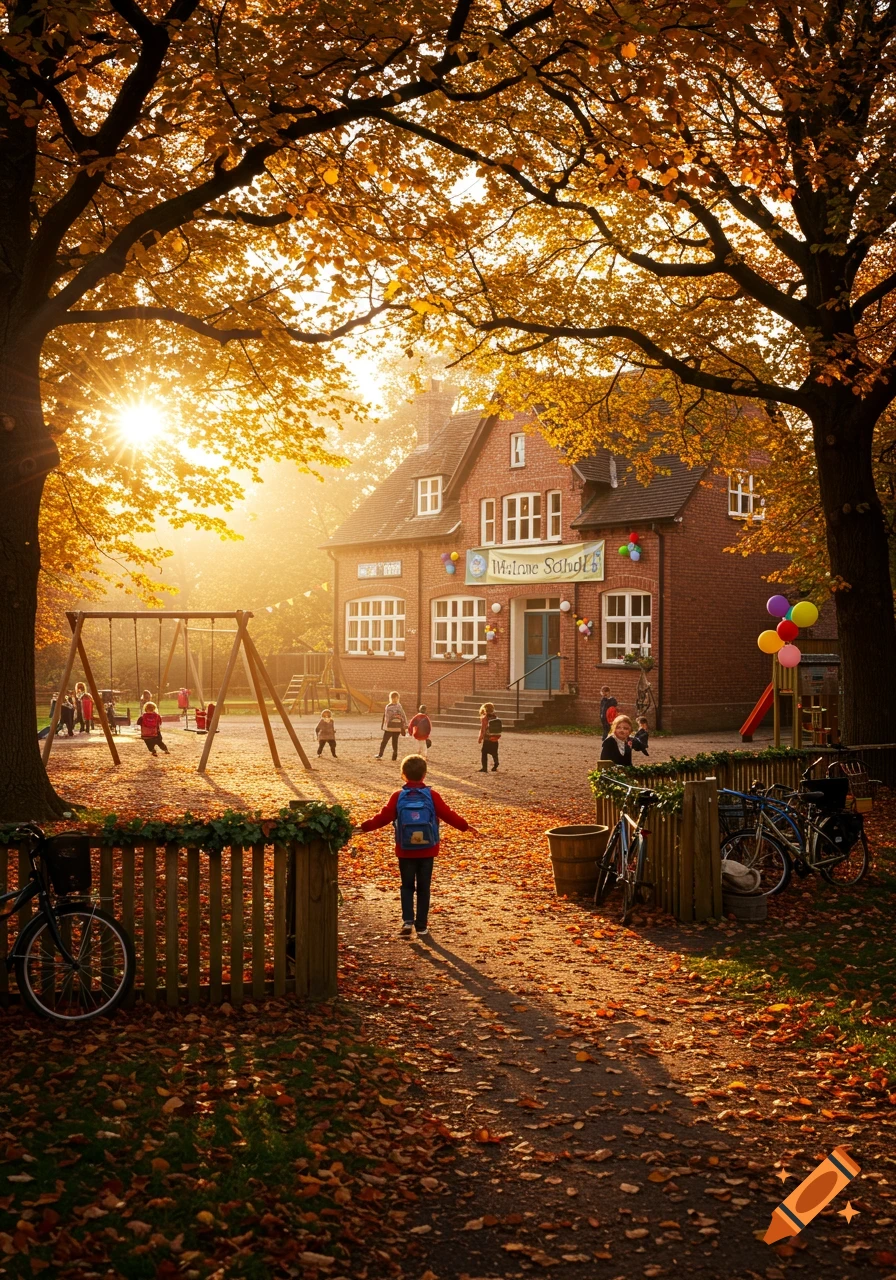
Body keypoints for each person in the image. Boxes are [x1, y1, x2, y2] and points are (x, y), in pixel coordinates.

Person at [354, 753, 479, 937]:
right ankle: (421, 926)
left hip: (405, 850)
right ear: (424, 774)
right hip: (428, 849)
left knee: (406, 886)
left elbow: (383, 817)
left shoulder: (398, 796)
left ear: (403, 774)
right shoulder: (432, 795)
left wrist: (363, 828)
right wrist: (466, 827)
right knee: (423, 887)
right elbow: (448, 814)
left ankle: (407, 921)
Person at [375, 691, 407, 760]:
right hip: (397, 727)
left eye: (395, 698)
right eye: (394, 698)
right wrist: (405, 725)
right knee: (394, 742)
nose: (394, 699)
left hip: (389, 728)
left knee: (384, 741)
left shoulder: (388, 707)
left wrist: (384, 726)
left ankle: (380, 754)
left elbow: (386, 718)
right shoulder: (399, 706)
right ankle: (394, 757)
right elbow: (403, 716)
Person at [478, 701, 501, 772]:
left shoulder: (485, 718)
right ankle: (496, 763)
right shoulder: (495, 717)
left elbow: (483, 729)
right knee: (494, 752)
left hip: (487, 739)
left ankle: (484, 768)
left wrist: (480, 738)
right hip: (495, 738)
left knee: (484, 752)